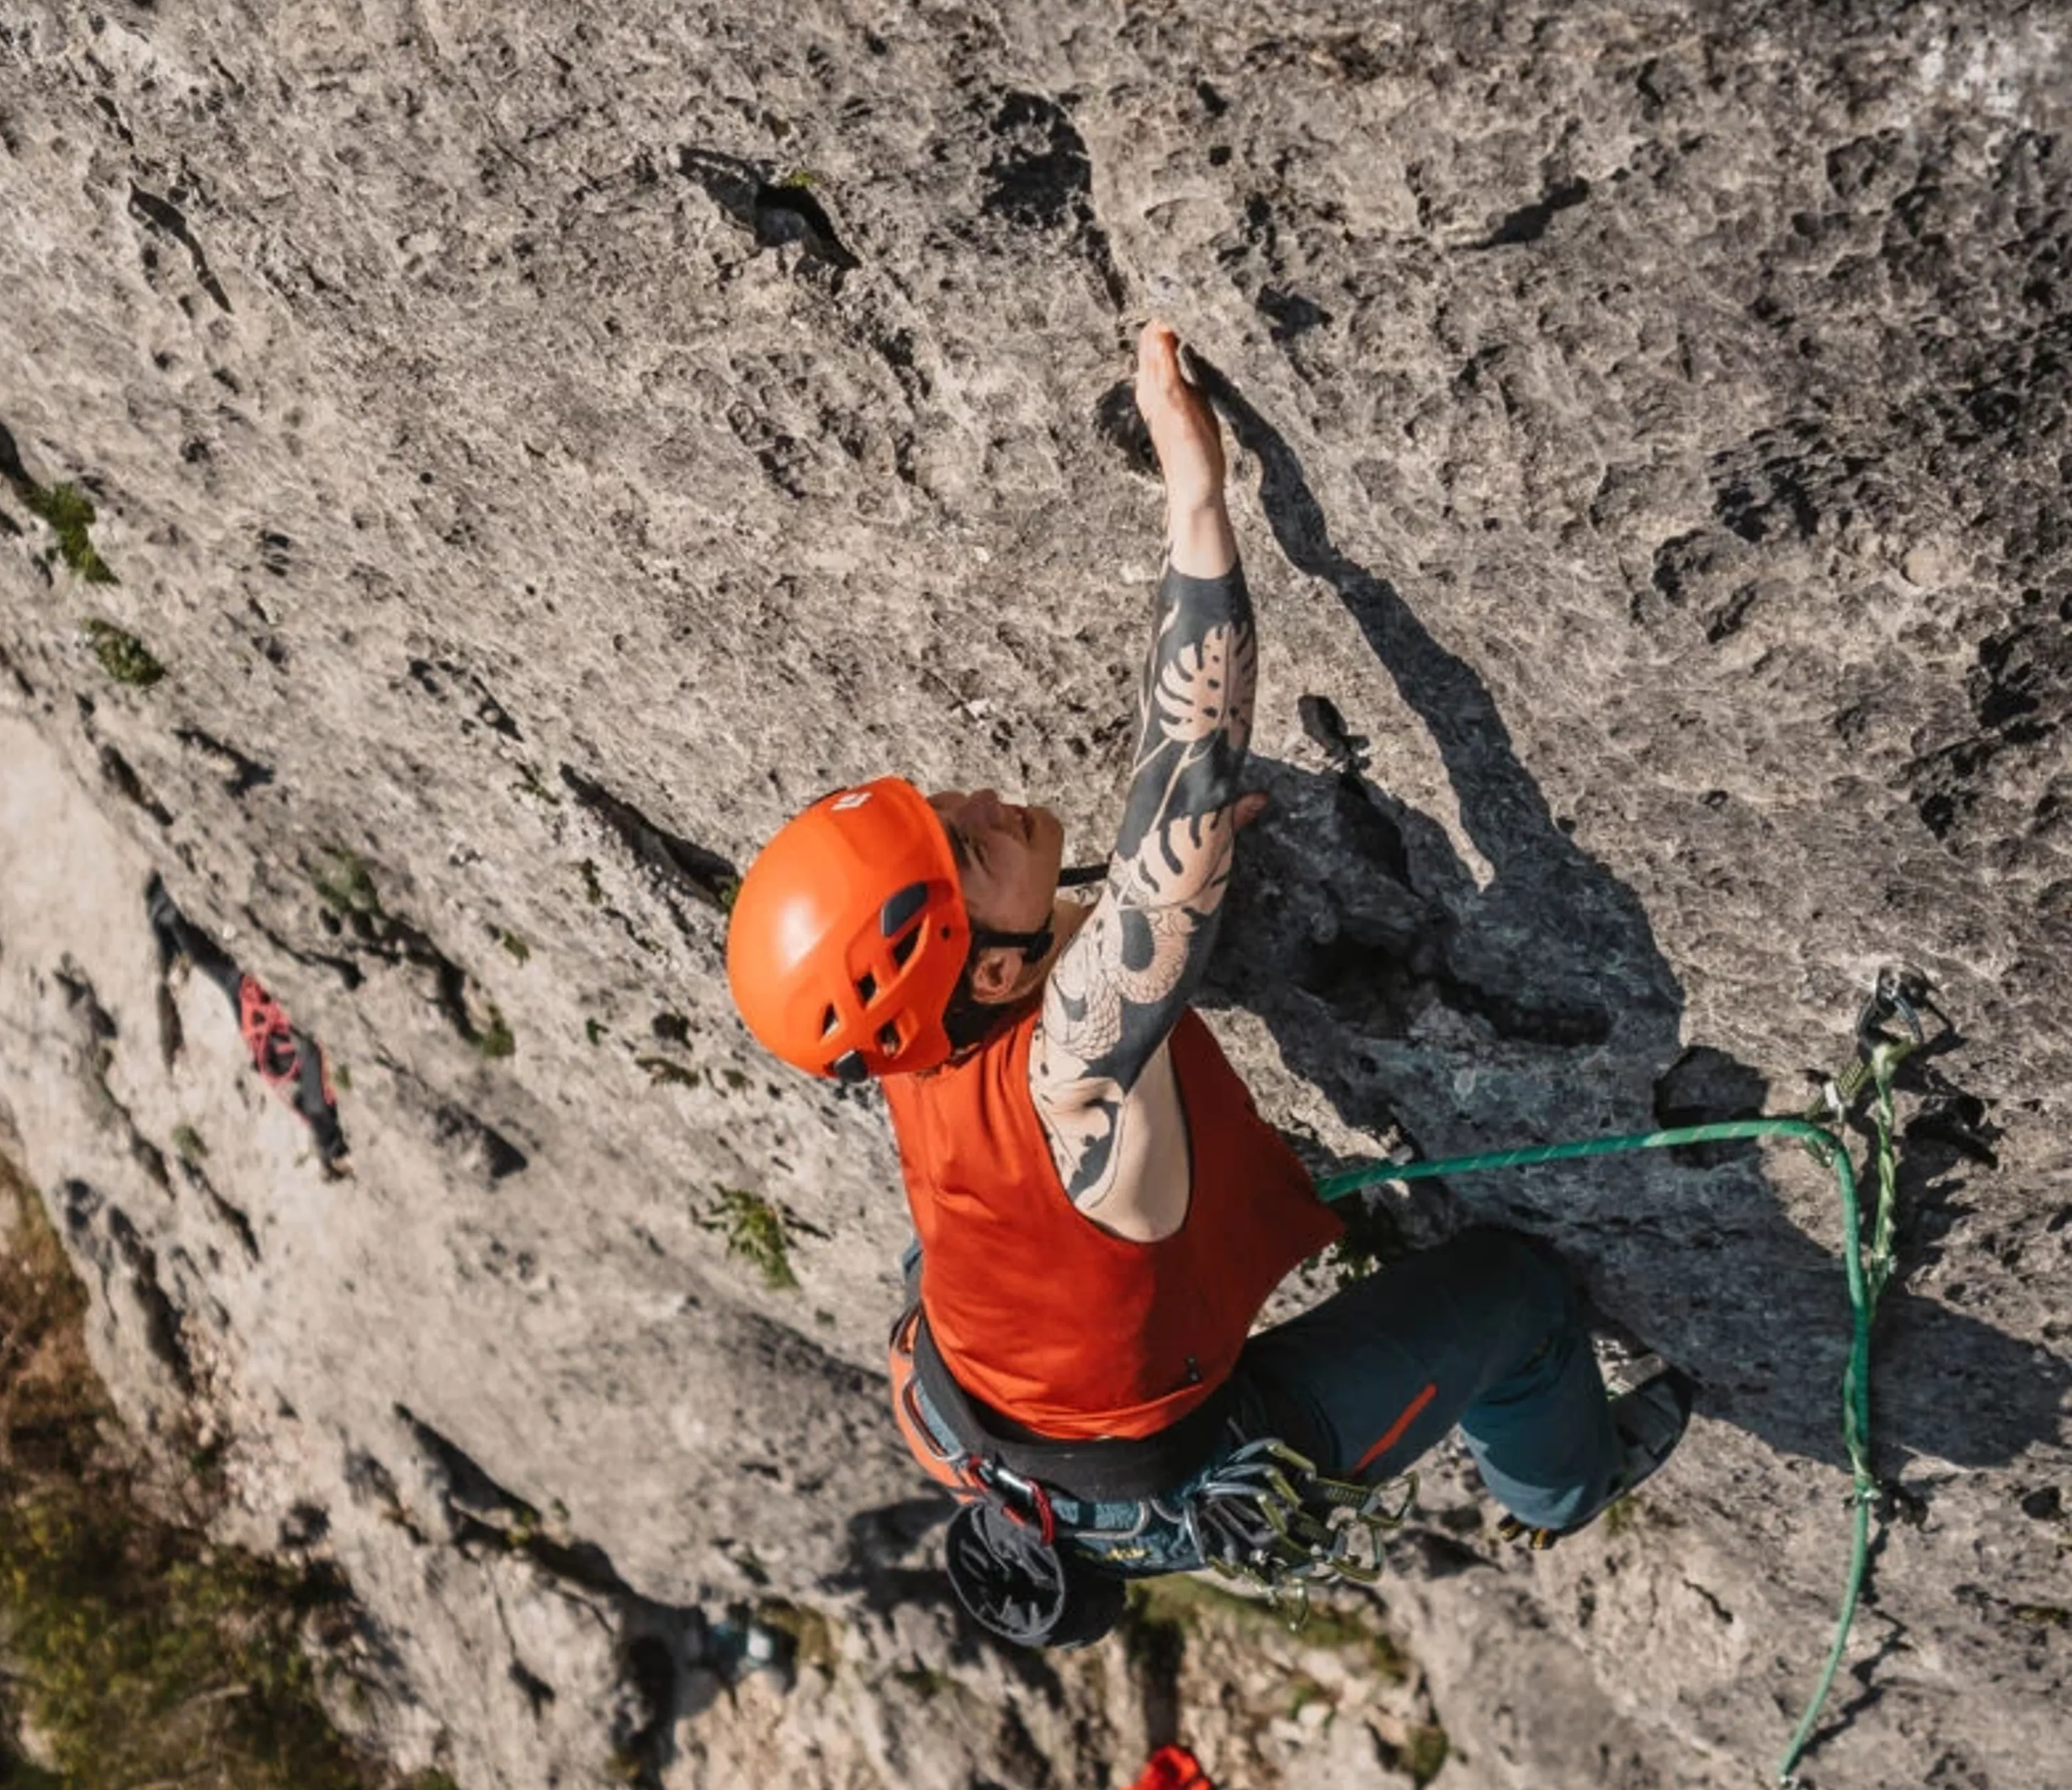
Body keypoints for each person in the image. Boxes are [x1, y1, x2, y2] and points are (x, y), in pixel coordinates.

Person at [722, 318, 1691, 1639]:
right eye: (961, 849)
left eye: (935, 808)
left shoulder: (919, 1030)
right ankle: (1568, 1485)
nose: (976, 798)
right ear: (992, 968)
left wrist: (1144, 903)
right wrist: (1195, 488)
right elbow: (1194, 756)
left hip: (969, 1404)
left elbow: (1122, 909)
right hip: (1154, 1468)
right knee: (1515, 1297)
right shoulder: (1065, 1070)